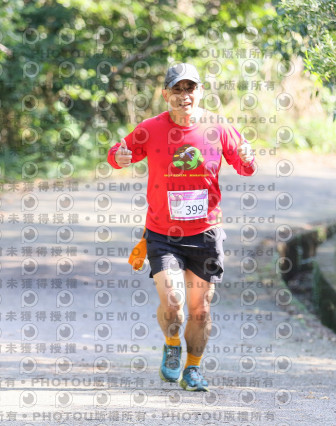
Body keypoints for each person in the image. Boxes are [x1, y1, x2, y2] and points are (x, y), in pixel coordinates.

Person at [107, 63, 256, 392]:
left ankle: (193, 369)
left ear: (200, 92)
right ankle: (172, 343)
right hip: (163, 233)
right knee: (173, 302)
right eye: (177, 89)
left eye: (190, 88)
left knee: (200, 310)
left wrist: (248, 157)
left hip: (206, 233)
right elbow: (117, 154)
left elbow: (246, 167)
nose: (184, 95)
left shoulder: (219, 127)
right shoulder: (151, 128)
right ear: (165, 95)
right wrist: (118, 157)